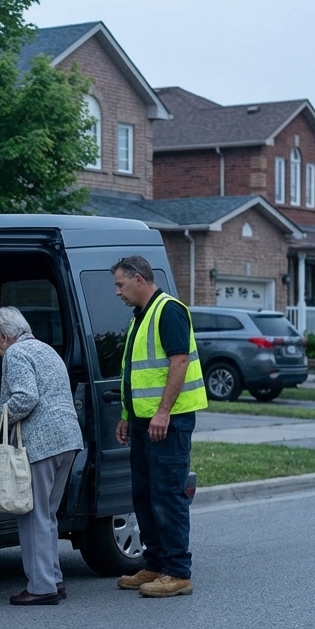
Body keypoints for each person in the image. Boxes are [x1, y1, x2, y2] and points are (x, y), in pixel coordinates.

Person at [111, 255, 207, 598]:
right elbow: (137, 373)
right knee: (145, 494)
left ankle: (177, 572)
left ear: (139, 279)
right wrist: (127, 415)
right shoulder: (142, 316)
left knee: (167, 495)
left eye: (120, 285)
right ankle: (154, 564)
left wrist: (164, 412)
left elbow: (178, 362)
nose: (117, 292)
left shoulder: (169, 310)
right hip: (143, 421)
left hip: (169, 422)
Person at [0, 306, 83, 606]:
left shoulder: (16, 353)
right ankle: (53, 579)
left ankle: (41, 587)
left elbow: (25, 397)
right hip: (67, 441)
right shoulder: (46, 349)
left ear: (7, 336)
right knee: (47, 515)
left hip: (41, 443)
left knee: (33, 515)